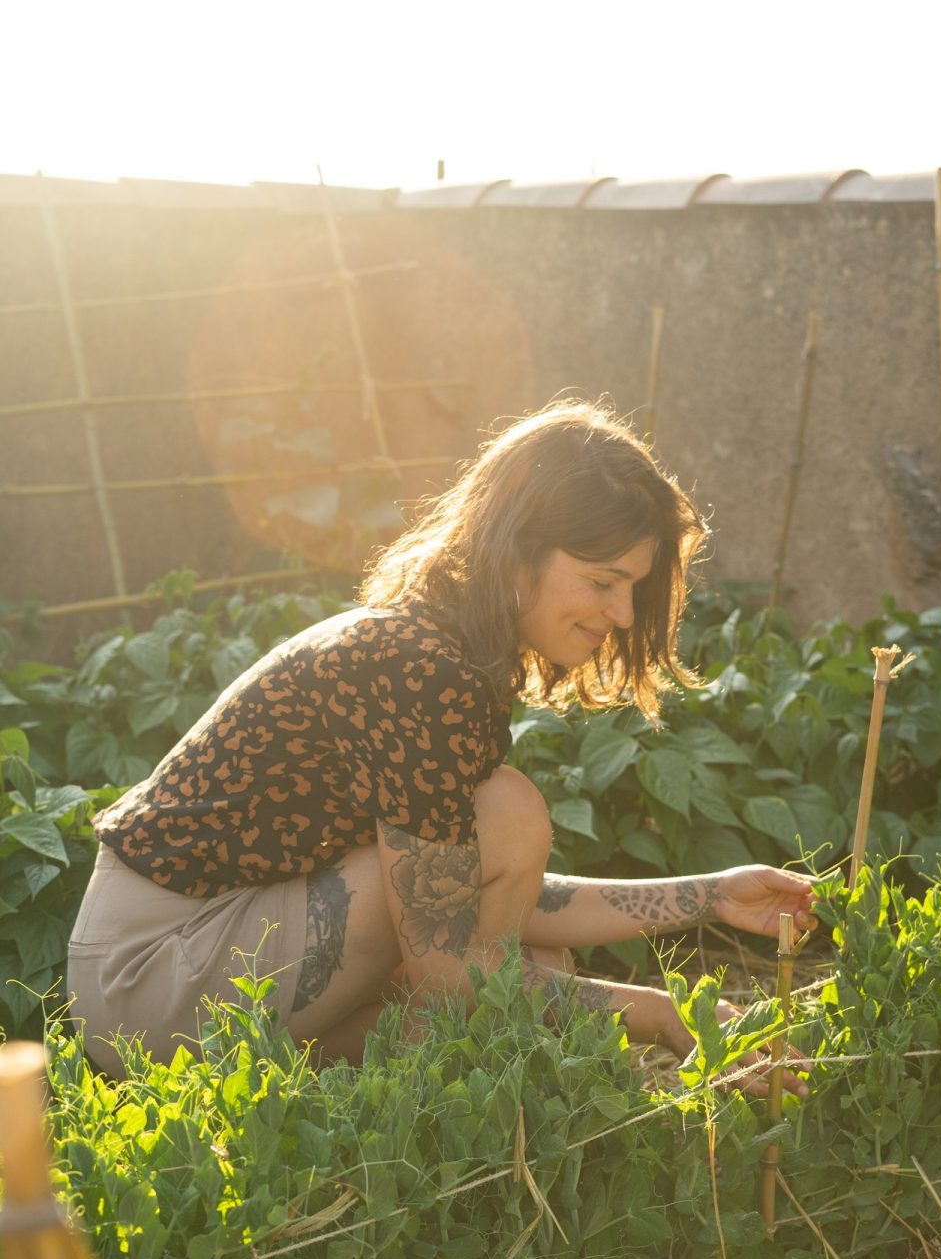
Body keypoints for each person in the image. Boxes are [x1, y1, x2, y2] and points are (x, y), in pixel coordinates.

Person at [67, 401, 816, 1091]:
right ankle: (400, 1111)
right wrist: (658, 1015)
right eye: (601, 581)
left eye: (632, 588)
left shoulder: (442, 651)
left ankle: (364, 1102)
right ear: (518, 552)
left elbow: (459, 895)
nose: (621, 613)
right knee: (509, 824)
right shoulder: (419, 670)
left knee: (534, 966)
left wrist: (712, 895)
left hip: (187, 964)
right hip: (151, 975)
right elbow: (449, 960)